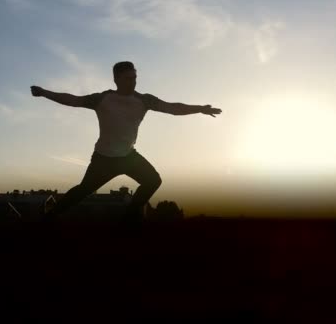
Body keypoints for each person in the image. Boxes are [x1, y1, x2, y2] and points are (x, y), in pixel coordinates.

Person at [31, 61, 222, 222]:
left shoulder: (144, 100)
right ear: (116, 79)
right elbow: (73, 100)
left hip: (129, 156)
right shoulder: (102, 98)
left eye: (135, 78)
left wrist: (200, 109)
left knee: (153, 181)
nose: (133, 82)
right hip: (103, 159)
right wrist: (45, 92)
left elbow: (173, 108)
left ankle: (130, 218)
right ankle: (49, 218)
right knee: (83, 191)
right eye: (128, 78)